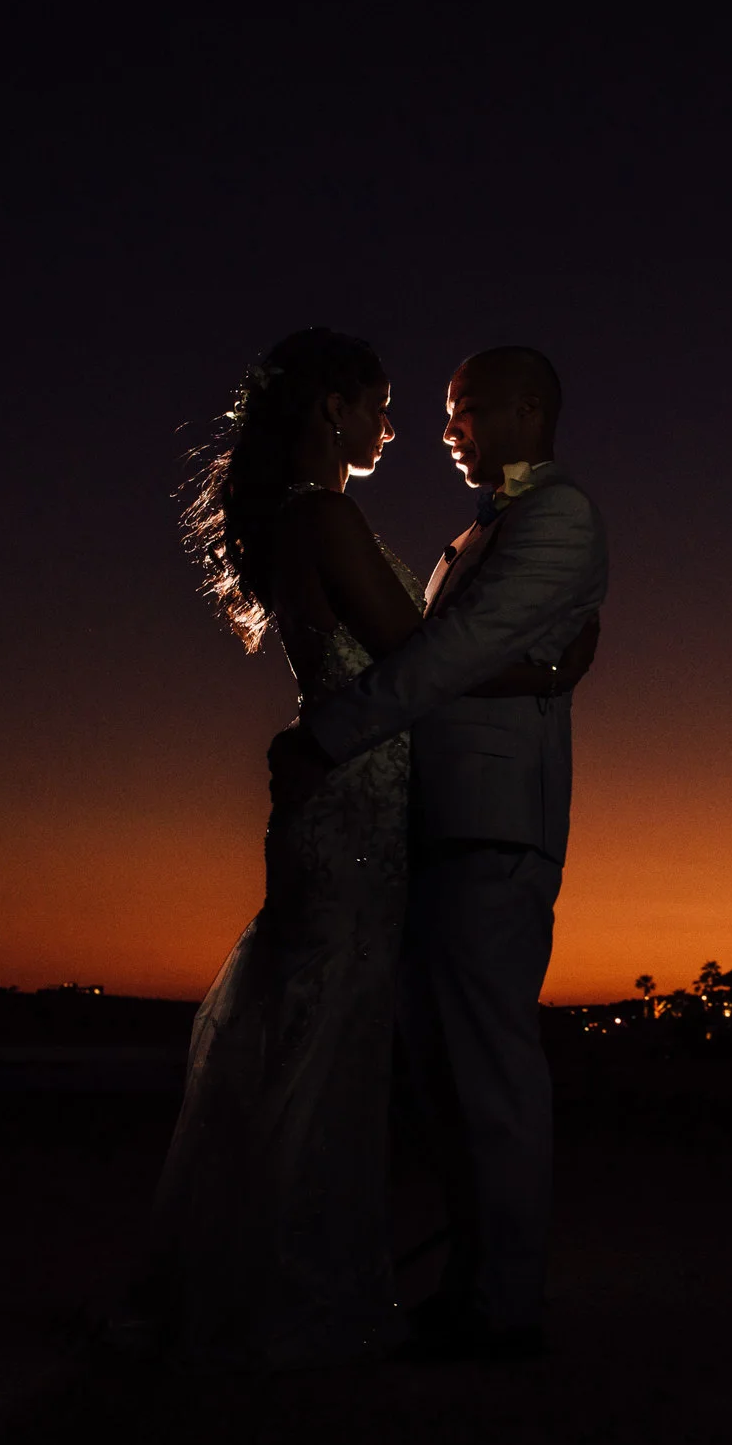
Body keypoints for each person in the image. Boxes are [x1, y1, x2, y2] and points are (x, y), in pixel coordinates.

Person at [115, 328, 592, 1369]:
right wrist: (548, 668)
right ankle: (310, 1288)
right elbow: (427, 660)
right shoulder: (326, 515)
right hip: (362, 801)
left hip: (373, 805)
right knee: (330, 1038)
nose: (407, 426)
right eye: (384, 402)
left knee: (327, 1030)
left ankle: (305, 1279)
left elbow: (419, 660)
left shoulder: (317, 515)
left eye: (447, 409)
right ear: (332, 408)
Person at [270, 346, 608, 1361]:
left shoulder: (560, 516)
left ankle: (504, 1307)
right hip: (438, 824)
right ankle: (473, 1288)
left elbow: (447, 657)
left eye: (464, 410)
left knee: (490, 1077)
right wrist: (541, 669)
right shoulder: (475, 532)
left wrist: (330, 736)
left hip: (495, 826)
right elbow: (461, 658)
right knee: (448, 1079)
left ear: (527, 407)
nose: (448, 429)